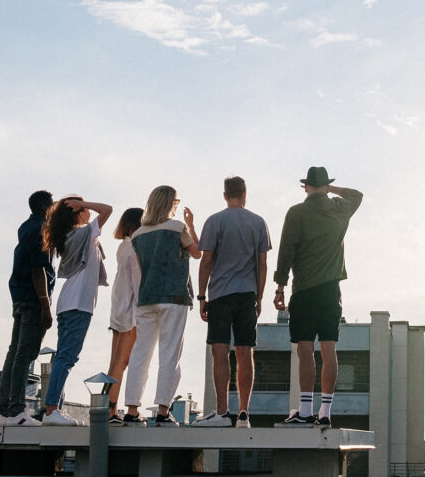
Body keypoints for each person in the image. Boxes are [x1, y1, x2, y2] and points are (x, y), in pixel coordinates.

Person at [273, 167, 363, 427]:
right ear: (325, 185)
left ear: (305, 187)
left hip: (304, 290)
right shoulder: (339, 209)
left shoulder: (297, 212)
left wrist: (280, 286)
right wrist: (329, 189)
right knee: (328, 348)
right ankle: (325, 412)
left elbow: (285, 251)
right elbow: (357, 194)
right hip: (331, 290)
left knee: (304, 349)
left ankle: (304, 411)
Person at [192, 177, 271, 428]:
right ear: (244, 193)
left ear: (225, 195)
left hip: (221, 294)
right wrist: (259, 297)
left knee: (219, 352)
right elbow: (263, 264)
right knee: (245, 351)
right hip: (247, 292)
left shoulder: (215, 221)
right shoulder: (258, 222)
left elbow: (206, 261)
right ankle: (244, 412)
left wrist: (202, 295)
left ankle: (222, 411)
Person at [121, 186, 200, 426]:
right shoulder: (177, 228)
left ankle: (132, 410)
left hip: (146, 298)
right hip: (173, 297)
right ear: (170, 203)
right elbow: (197, 253)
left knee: (140, 354)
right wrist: (192, 225)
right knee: (169, 354)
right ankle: (163, 412)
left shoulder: (138, 235)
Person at [41, 196, 113, 426]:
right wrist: (87, 203)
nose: (88, 212)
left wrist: (82, 206)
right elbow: (108, 209)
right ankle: (52, 410)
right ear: (77, 213)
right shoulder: (83, 234)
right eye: (83, 209)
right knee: (67, 357)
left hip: (69, 302)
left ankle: (55, 408)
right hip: (78, 303)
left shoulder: (72, 236)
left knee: (64, 357)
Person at [0, 190, 55, 427]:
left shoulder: (25, 227)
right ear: (44, 208)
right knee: (25, 354)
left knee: (14, 353)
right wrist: (45, 305)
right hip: (33, 299)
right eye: (51, 206)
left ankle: (5, 411)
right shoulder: (41, 228)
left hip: (20, 297)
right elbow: (38, 268)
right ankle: (17, 411)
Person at [106, 207, 144, 425]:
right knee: (122, 363)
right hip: (131, 312)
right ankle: (111, 411)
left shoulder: (122, 247)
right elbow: (138, 285)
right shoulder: (134, 249)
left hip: (118, 310)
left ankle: (109, 407)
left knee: (116, 362)